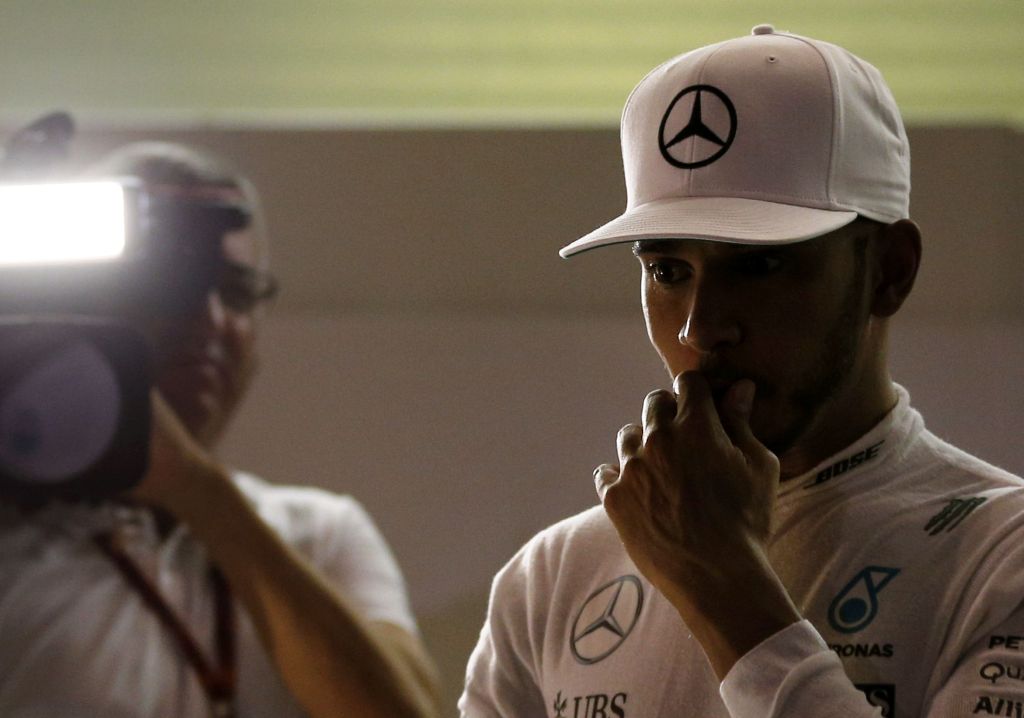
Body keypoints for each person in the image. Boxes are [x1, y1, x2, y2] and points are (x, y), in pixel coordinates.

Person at [460, 24, 1024, 718]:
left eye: (760, 264)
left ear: (889, 271)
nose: (701, 327)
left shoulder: (1002, 555)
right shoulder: (553, 576)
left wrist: (722, 586)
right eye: (668, 270)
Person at [0, 142, 439, 718]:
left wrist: (197, 489)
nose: (210, 320)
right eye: (171, 284)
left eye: (237, 293)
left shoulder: (320, 534)